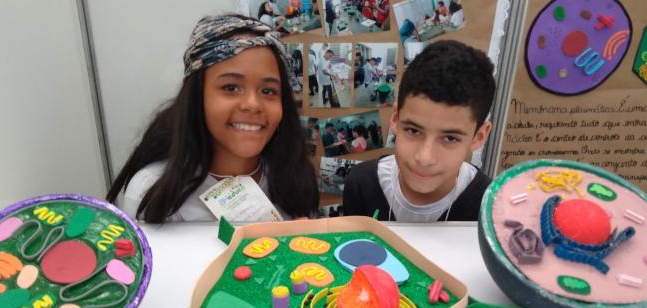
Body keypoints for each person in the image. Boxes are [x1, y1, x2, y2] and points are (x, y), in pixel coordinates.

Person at [106, 14, 318, 222]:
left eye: (269, 91)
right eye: (231, 87)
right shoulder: (152, 190)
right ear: (197, 96)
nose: (253, 104)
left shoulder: (293, 179)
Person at [342, 40, 494, 222]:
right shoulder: (361, 184)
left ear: (479, 137)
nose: (424, 158)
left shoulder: (489, 204)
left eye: (450, 138)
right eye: (413, 131)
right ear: (395, 119)